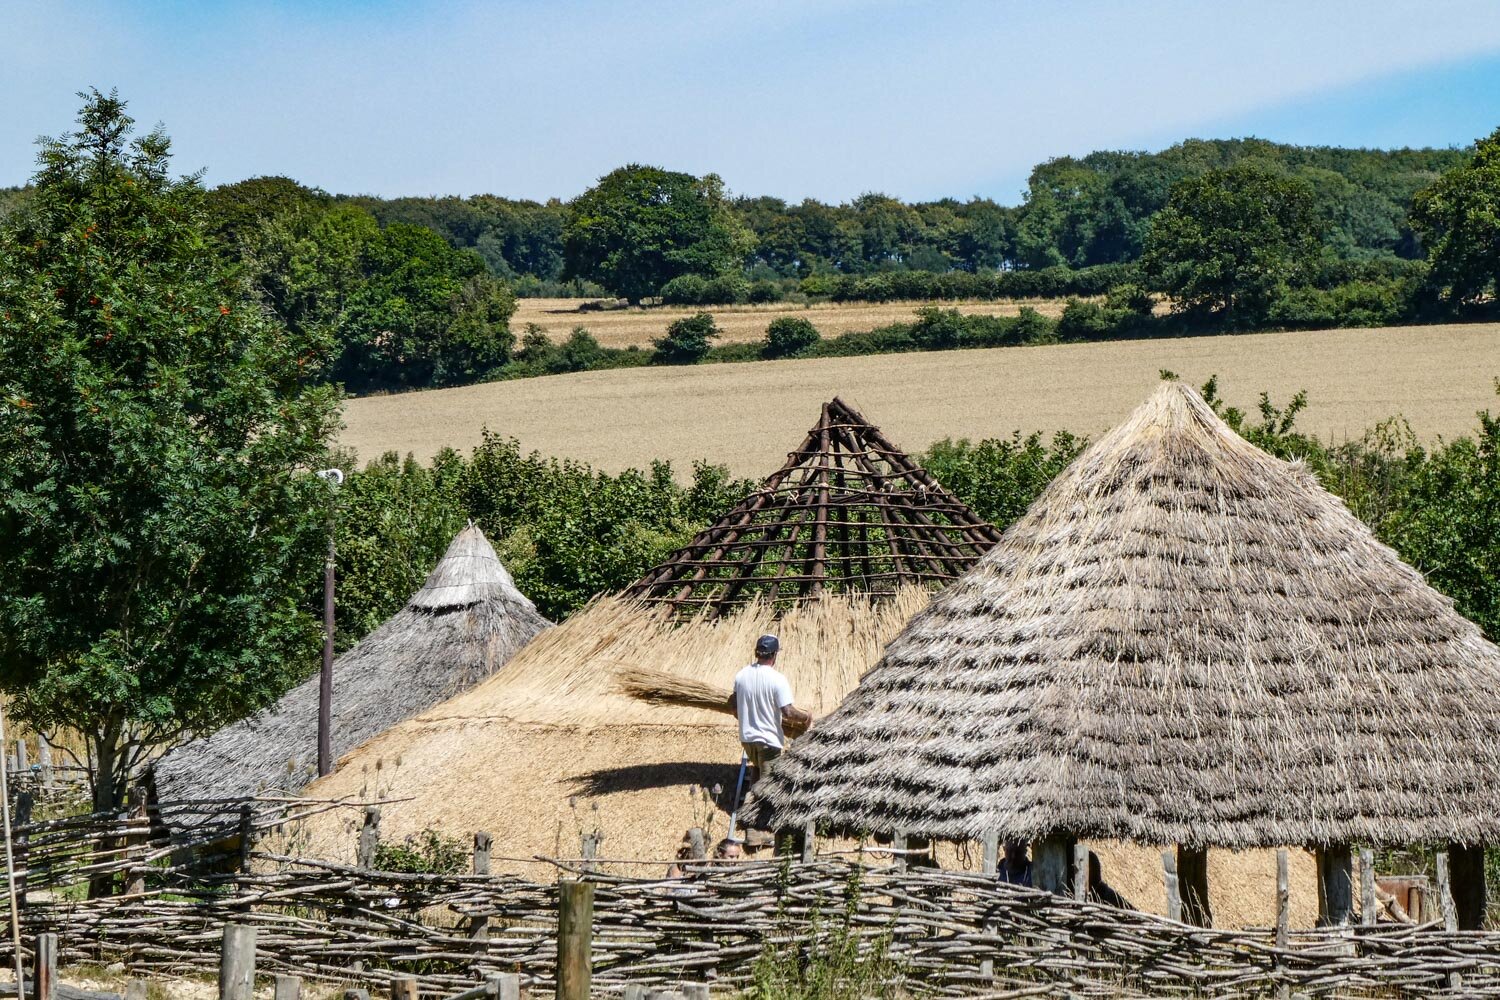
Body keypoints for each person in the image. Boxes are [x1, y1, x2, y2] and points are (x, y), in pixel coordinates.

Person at [727, 634, 812, 784]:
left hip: (747, 739)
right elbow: (788, 712)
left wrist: (743, 717)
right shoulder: (777, 679)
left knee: (758, 769)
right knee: (768, 786)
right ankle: (755, 805)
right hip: (768, 740)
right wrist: (806, 717)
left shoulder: (741, 675)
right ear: (774, 654)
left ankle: (750, 801)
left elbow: (732, 702)